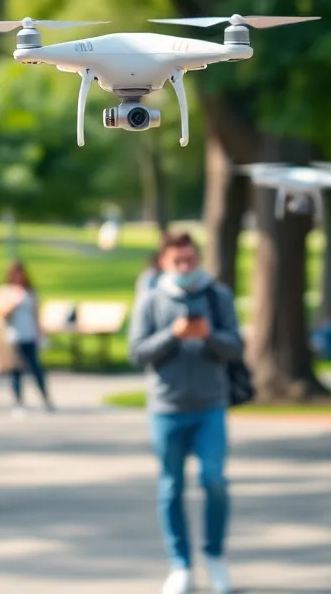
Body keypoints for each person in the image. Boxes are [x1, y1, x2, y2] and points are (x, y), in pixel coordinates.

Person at [127, 231, 244, 594]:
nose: (185, 267)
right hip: (167, 408)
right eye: (178, 261)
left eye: (190, 260)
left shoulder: (217, 296)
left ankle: (215, 557)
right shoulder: (151, 300)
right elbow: (136, 352)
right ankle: (180, 564)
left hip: (210, 406)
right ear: (164, 262)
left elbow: (236, 347)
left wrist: (208, 335)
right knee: (171, 487)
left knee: (214, 481)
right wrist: (173, 335)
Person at [0, 260, 53, 414]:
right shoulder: (5, 291)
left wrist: (40, 335)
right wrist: (14, 302)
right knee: (16, 371)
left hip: (29, 335)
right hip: (13, 336)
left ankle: (45, 398)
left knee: (36, 369)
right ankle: (18, 402)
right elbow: (0, 313)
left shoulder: (30, 291)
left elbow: (36, 315)